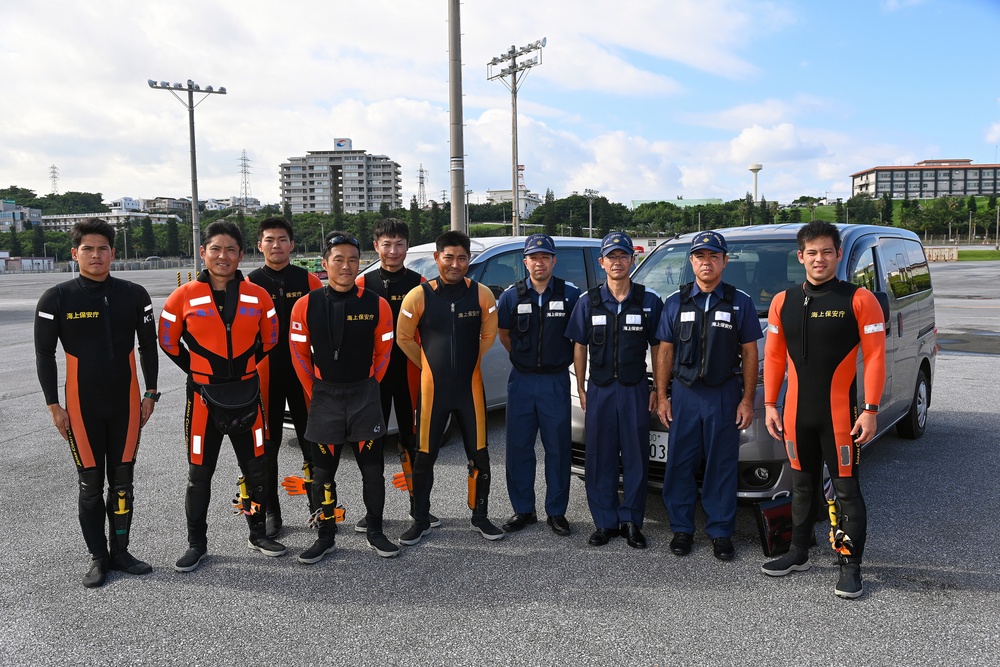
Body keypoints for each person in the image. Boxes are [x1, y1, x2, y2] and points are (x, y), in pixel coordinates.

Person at [760, 220, 886, 599]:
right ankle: (799, 552)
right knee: (800, 486)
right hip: (797, 414)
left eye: (827, 252)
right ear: (801, 257)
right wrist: (769, 404)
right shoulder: (783, 301)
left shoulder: (859, 299)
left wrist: (870, 409)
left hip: (840, 417)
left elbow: (876, 356)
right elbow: (774, 358)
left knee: (846, 490)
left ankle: (850, 566)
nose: (819, 259)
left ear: (838, 255)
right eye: (811, 252)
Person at [34, 218, 159, 588]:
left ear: (113, 253)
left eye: (102, 248)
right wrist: (53, 405)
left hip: (126, 403)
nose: (95, 255)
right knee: (91, 485)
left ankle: (121, 551)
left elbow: (148, 346)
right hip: (80, 406)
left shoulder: (135, 294)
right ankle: (98, 557)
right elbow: (44, 354)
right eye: (87, 248)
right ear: (75, 254)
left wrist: (151, 392)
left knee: (123, 484)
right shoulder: (56, 298)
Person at [159, 220, 285, 572]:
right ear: (203, 253)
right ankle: (197, 544)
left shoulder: (258, 295)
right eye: (215, 249)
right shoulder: (182, 296)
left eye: (231, 249)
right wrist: (199, 371)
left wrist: (242, 368)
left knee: (256, 470)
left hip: (248, 395)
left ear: (241, 254)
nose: (223, 256)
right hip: (202, 399)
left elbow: (270, 338)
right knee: (199, 475)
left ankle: (258, 534)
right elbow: (168, 340)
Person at [289, 231, 398, 562]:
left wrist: (369, 384)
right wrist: (316, 390)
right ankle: (326, 535)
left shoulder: (376, 304)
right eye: (338, 260)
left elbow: (384, 350)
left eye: (353, 260)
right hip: (325, 398)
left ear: (360, 263)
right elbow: (298, 354)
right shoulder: (306, 304)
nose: (346, 266)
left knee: (372, 469)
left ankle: (376, 530)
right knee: (323, 472)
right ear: (325, 264)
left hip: (364, 395)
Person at [654, 231, 762, 561]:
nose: (706, 262)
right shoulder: (676, 302)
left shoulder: (739, 302)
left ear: (725, 261)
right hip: (685, 395)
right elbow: (665, 353)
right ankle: (682, 529)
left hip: (723, 395)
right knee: (680, 464)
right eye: (700, 256)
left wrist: (746, 399)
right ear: (691, 261)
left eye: (714, 256)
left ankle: (720, 532)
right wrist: (662, 396)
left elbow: (749, 353)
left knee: (721, 465)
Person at [395, 230, 504, 545]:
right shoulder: (420, 295)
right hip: (433, 391)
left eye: (461, 258)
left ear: (468, 260)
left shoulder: (482, 294)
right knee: (424, 456)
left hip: (469, 388)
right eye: (449, 257)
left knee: (480, 454)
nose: (455, 264)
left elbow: (488, 336)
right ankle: (420, 519)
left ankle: (480, 516)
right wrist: (427, 366)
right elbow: (403, 337)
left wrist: (468, 365)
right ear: (437, 258)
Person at [565, 231, 662, 549]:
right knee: (599, 458)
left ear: (632, 260)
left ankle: (632, 521)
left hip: (635, 390)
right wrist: (580, 386)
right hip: (601, 390)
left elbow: (660, 348)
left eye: (623, 256)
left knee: (636, 457)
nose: (617, 261)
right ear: (602, 262)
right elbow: (579, 346)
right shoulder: (588, 302)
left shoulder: (649, 301)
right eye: (612, 256)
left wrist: (657, 389)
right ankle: (605, 522)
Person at [354, 218, 439, 533]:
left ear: (407, 246)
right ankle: (373, 511)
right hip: (373, 378)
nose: (392, 251)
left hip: (410, 377)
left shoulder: (421, 285)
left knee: (412, 443)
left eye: (399, 244)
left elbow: (431, 333)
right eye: (386, 244)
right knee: (371, 443)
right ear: (376, 246)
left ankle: (420, 509)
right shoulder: (361, 285)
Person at [496, 234, 582, 536]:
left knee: (558, 448)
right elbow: (504, 334)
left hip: (556, 382)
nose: (539, 262)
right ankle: (523, 509)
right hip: (521, 381)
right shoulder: (511, 296)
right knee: (519, 447)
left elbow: (577, 339)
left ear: (554, 261)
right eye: (534, 257)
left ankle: (556, 512)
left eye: (545, 257)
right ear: (525, 261)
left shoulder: (571, 295)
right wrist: (523, 359)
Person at [246, 217, 323, 538]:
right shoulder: (248, 285)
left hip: (303, 376)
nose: (276, 246)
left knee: (312, 445)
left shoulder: (310, 282)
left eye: (282, 240)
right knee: (268, 447)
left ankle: (318, 508)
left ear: (292, 244)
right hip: (264, 377)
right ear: (260, 245)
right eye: (269, 240)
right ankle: (271, 512)